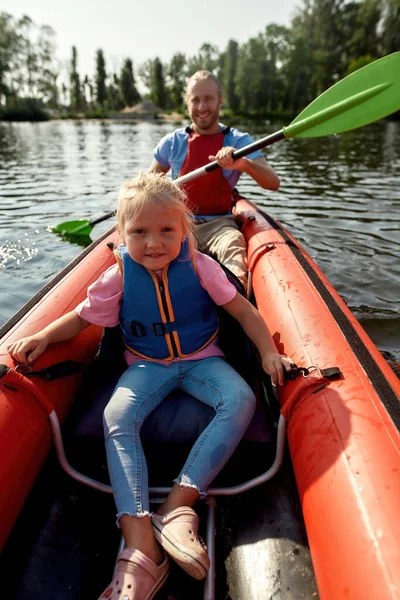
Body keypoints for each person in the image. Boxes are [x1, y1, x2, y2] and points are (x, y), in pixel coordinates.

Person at [7, 173, 291, 600]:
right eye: (139, 231)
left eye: (166, 231)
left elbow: (244, 312)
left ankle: (177, 506)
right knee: (116, 415)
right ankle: (139, 538)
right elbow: (83, 319)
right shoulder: (117, 275)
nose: (153, 243)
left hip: (202, 361)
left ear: (183, 232)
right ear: (123, 234)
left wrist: (268, 351)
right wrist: (45, 335)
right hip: (146, 365)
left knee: (241, 398)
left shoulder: (201, 266)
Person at [149, 70, 280, 290]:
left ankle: (233, 305)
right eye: (195, 100)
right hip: (178, 224)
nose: (201, 107)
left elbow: (272, 183)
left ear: (220, 101)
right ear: (187, 104)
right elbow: (147, 186)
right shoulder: (173, 142)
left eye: (208, 99)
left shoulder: (239, 141)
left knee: (234, 250)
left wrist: (243, 164)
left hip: (220, 225)